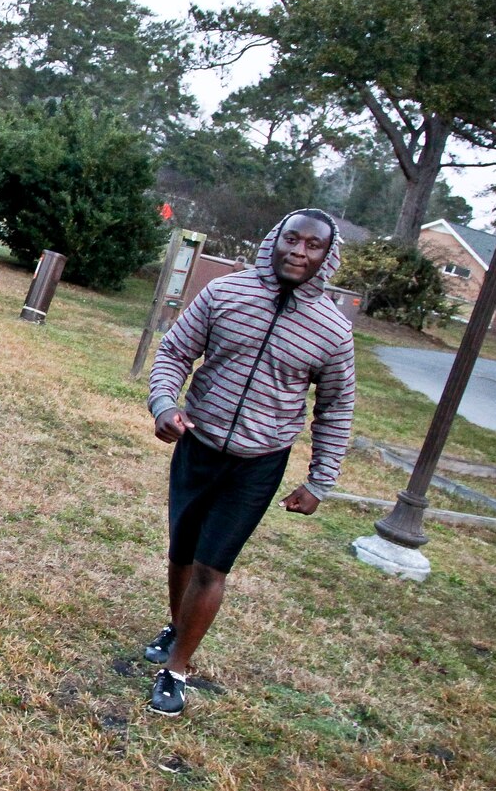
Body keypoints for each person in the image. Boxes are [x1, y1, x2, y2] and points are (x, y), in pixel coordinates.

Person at [140, 210, 355, 717]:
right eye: (292, 239)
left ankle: (177, 668)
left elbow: (336, 406)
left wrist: (320, 480)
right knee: (182, 552)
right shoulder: (224, 294)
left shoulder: (332, 330)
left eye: (313, 246)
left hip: (259, 462)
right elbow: (174, 352)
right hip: (198, 444)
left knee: (214, 566)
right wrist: (165, 404)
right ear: (273, 241)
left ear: (328, 256)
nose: (299, 252)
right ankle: (177, 625)